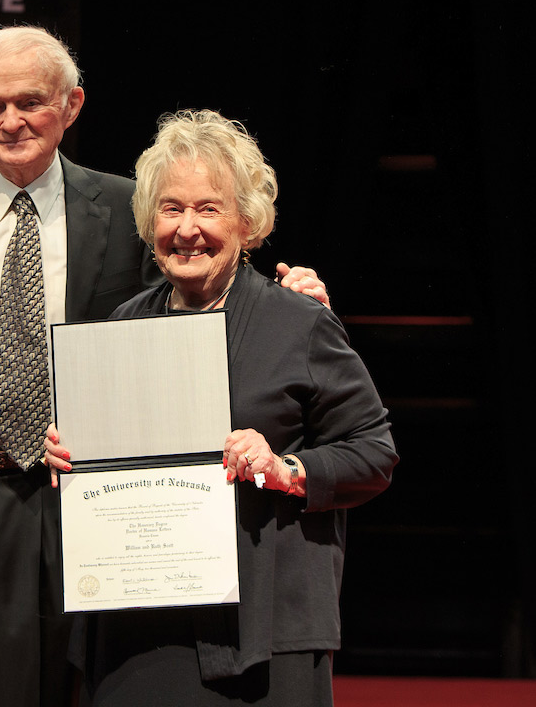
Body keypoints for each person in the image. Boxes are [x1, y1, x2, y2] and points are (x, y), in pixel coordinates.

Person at [0, 26, 330, 707]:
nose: (10, 120)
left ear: (71, 105)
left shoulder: (124, 208)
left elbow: (189, 316)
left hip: (58, 501)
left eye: (31, 101)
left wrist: (288, 301)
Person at [44, 109, 398, 706]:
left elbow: (374, 452)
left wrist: (285, 469)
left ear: (246, 223)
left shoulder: (297, 322)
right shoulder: (122, 327)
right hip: (140, 628)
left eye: (208, 208)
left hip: (265, 626)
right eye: (171, 208)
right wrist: (72, 460)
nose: (187, 229)